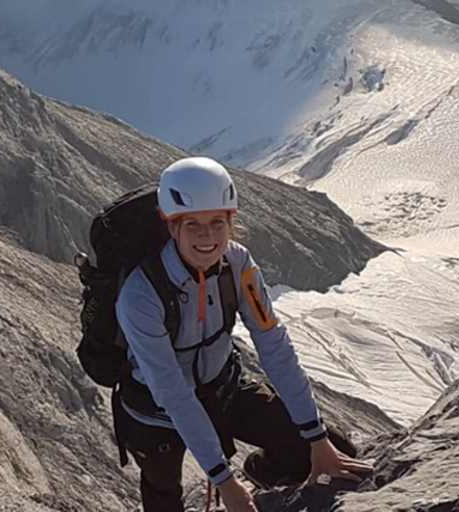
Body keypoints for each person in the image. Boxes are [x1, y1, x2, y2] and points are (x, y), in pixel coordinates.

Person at [115, 157, 372, 512]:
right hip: (154, 408)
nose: (207, 237)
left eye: (217, 223)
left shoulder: (238, 265)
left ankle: (264, 471)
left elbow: (274, 345)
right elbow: (171, 392)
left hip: (224, 387)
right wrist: (224, 480)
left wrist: (316, 437)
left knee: (336, 452)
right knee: (163, 497)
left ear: (230, 222)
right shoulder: (140, 295)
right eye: (193, 224)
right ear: (171, 225)